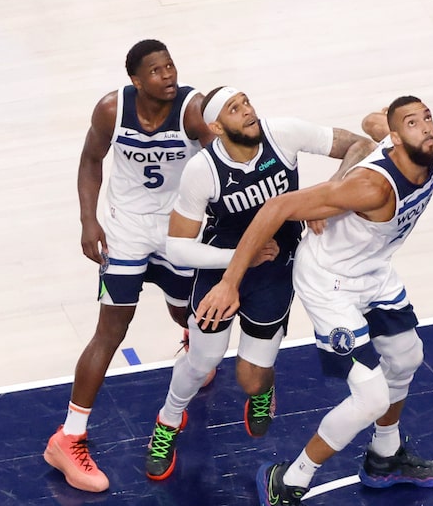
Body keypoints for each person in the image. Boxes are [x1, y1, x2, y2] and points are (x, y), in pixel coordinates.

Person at [197, 95, 433, 506]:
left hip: (371, 269)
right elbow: (276, 210)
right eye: (413, 123)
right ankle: (288, 482)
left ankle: (385, 457)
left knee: (408, 356)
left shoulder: (421, 151)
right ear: (398, 138)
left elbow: (372, 120)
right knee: (371, 394)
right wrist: (231, 283)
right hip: (329, 282)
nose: (426, 128)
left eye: (427, 119)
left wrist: (384, 128)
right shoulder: (373, 188)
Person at [142, 91, 371, 478]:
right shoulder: (203, 171)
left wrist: (330, 189)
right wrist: (237, 259)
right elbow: (178, 248)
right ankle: (168, 420)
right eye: (234, 109)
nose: (247, 110)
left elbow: (362, 144)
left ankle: (262, 390)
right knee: (202, 361)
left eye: (246, 101)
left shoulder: (283, 134)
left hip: (276, 268)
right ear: (216, 127)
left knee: (250, 379)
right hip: (220, 265)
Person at [45, 43, 213, 492]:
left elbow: (227, 163)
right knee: (111, 329)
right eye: (156, 71)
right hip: (126, 231)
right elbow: (90, 161)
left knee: (187, 313)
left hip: (179, 228)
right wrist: (88, 220)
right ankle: (69, 436)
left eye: (170, 66)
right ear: (136, 80)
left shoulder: (193, 110)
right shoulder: (111, 110)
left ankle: (192, 341)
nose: (167, 75)